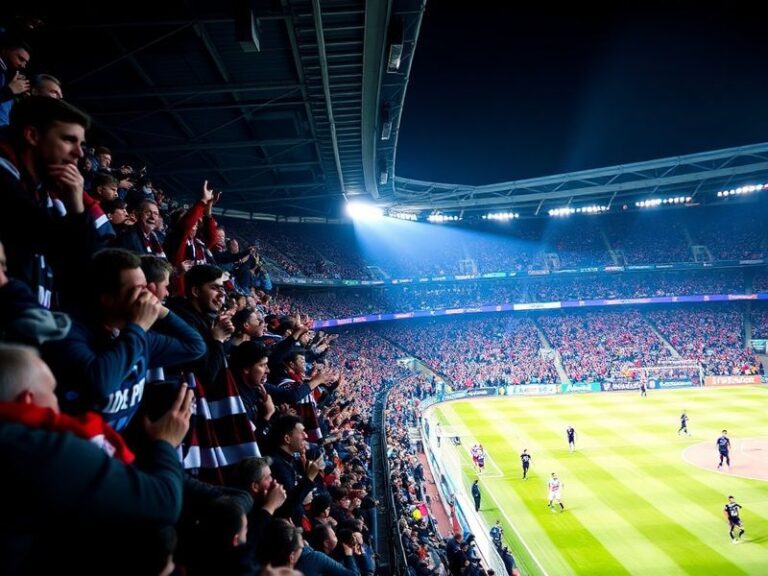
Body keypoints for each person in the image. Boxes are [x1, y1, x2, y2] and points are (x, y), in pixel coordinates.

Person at [0, 343, 193, 574]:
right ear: (27, 400)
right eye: (51, 391)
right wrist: (166, 442)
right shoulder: (43, 450)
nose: (57, 402)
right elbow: (164, 501)